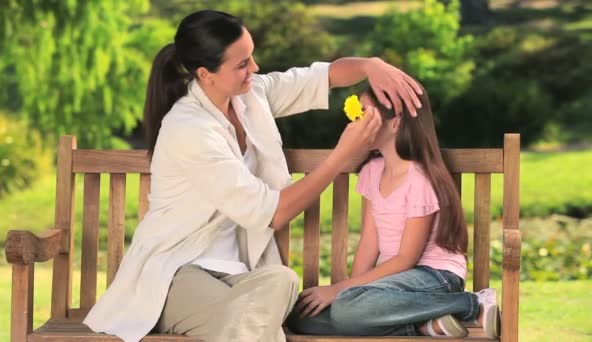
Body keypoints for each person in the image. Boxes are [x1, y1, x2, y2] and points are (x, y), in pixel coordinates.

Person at [83, 10, 423, 342]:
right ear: (206, 74)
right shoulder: (189, 129)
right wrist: (341, 157)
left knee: (281, 281)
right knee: (253, 316)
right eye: (242, 63)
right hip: (178, 273)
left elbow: (323, 77)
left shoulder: (252, 95)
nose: (255, 69)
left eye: (252, 57)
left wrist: (370, 66)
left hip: (239, 278)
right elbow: (273, 213)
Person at [286, 87, 501, 338]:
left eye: (365, 114)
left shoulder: (419, 178)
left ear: (396, 123)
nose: (358, 121)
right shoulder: (372, 171)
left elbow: (406, 258)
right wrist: (350, 293)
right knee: (303, 318)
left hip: (435, 277)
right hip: (398, 283)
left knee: (346, 309)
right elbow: (369, 242)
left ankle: (471, 304)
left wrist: (341, 292)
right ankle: (425, 323)